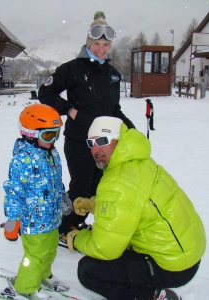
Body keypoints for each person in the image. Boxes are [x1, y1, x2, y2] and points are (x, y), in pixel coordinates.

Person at [66, 116, 206, 300]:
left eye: (102, 141)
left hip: (172, 265)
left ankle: (154, 297)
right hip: (186, 253)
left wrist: (77, 239)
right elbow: (130, 202)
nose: (96, 149)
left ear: (119, 140)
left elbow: (105, 248)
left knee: (89, 270)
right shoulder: (137, 161)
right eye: (91, 142)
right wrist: (93, 204)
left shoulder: (118, 180)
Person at [38, 11, 135, 242]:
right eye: (96, 44)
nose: (101, 49)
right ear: (88, 43)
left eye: (105, 44)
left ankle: (74, 222)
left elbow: (114, 110)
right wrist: (70, 110)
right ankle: (63, 228)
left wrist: (131, 130)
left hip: (103, 144)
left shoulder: (113, 75)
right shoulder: (72, 69)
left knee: (95, 190)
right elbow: (46, 92)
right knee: (81, 188)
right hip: (79, 141)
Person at [2, 104, 70, 300]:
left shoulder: (52, 153)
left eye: (56, 134)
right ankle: (25, 286)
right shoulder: (22, 160)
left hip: (52, 218)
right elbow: (14, 192)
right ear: (30, 134)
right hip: (33, 221)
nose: (53, 141)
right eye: (48, 136)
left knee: (50, 250)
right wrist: (12, 220)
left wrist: (63, 198)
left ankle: (44, 274)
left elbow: (56, 180)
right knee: (35, 255)